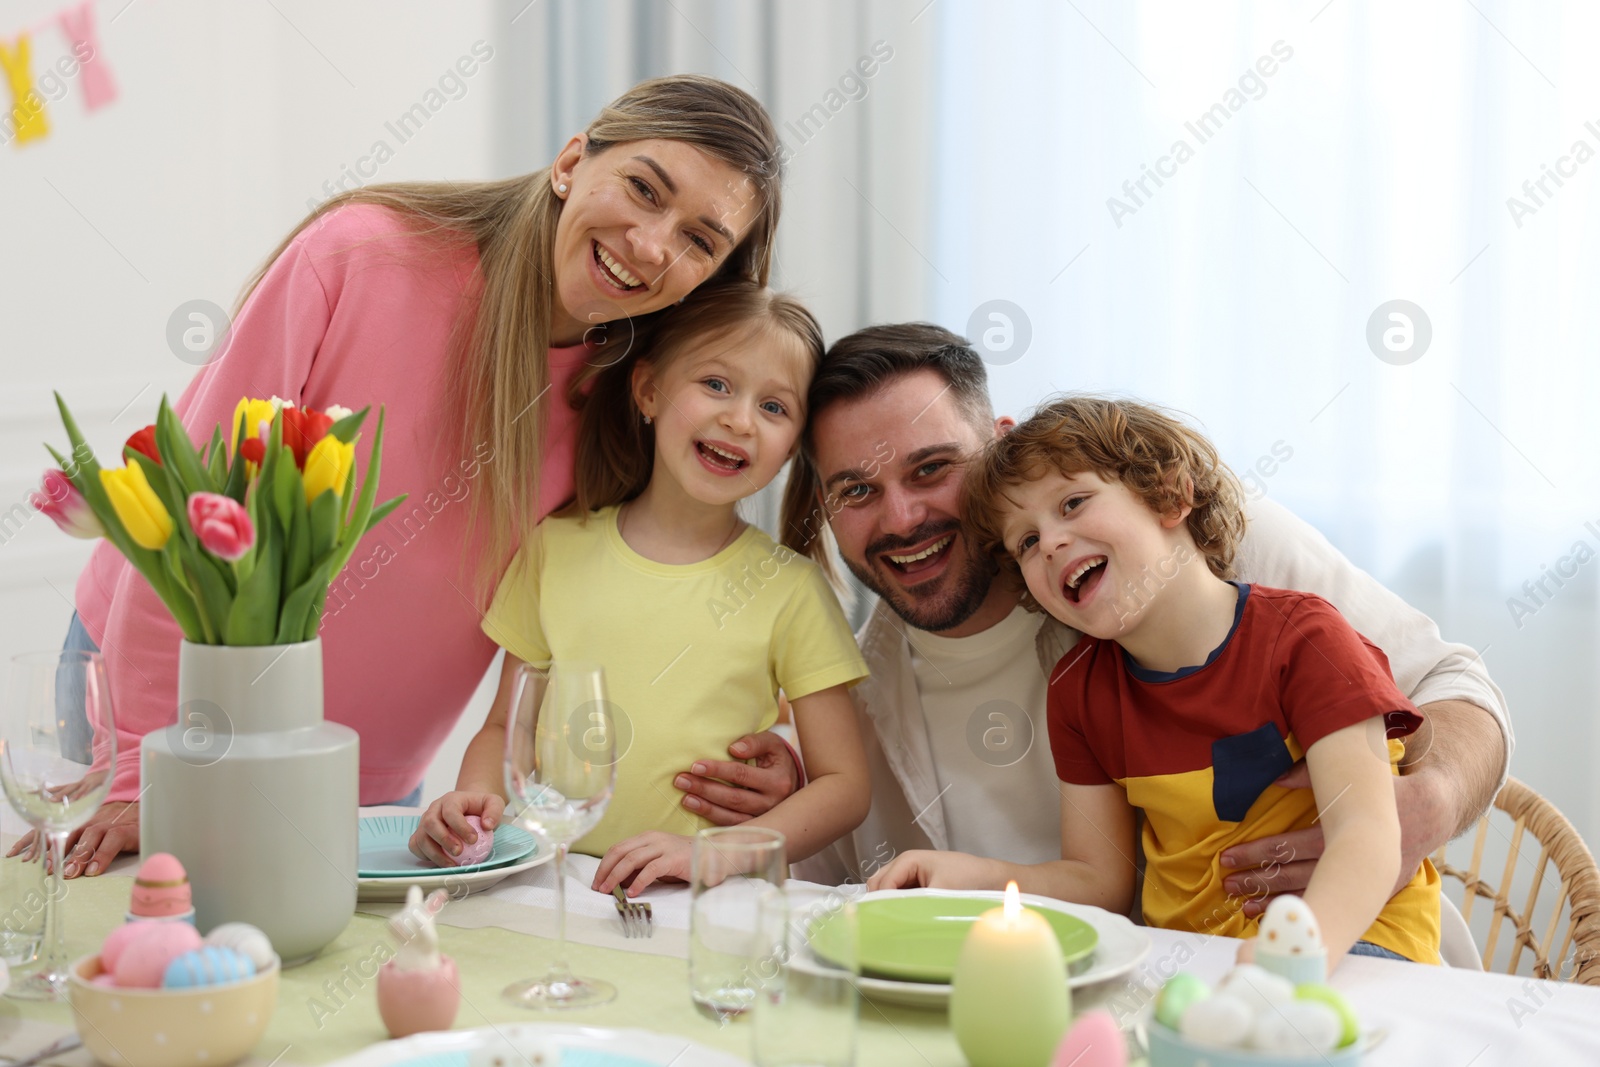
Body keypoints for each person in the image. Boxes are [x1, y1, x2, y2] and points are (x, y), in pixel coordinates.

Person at [17, 74, 803, 877]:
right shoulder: (361, 255)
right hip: (167, 715)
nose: (650, 245)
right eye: (642, 189)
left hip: (373, 772)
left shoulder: (637, 395)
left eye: (700, 240)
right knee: (170, 966)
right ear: (572, 161)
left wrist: (770, 747)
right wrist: (144, 766)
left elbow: (633, 596)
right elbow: (188, 500)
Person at [675, 323, 1510, 947]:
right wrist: (792, 783)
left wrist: (1416, 810)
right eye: (857, 490)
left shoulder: (1201, 549)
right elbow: (818, 909)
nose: (902, 517)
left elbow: (1455, 684)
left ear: (1001, 448)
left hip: (1358, 970)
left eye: (932, 468)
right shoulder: (860, 691)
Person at [868, 396, 1441, 967]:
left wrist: (1285, 963)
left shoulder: (1307, 639)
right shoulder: (1079, 691)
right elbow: (1100, 883)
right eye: (1026, 542)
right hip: (1189, 962)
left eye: (1072, 503)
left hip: (1360, 948)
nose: (1050, 543)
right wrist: (971, 876)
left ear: (1171, 494)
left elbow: (1366, 836)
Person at [410, 281, 871, 894]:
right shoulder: (554, 548)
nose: (739, 419)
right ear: (648, 390)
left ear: (793, 447)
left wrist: (720, 855)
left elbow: (845, 787)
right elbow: (504, 730)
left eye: (774, 407)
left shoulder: (791, 589)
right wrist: (471, 802)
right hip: (548, 887)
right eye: (716, 384)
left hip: (698, 902)